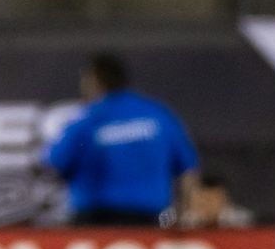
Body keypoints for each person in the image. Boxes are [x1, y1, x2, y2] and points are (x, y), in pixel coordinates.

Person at [44, 54, 198, 226]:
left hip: (95, 222)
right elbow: (188, 170)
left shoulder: (88, 119)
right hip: (148, 222)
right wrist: (183, 214)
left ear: (94, 79)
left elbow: (54, 163)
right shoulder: (158, 115)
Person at [179, 173, 254, 229]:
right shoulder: (183, 223)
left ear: (225, 200)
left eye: (210, 200)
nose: (206, 204)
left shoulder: (243, 222)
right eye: (201, 200)